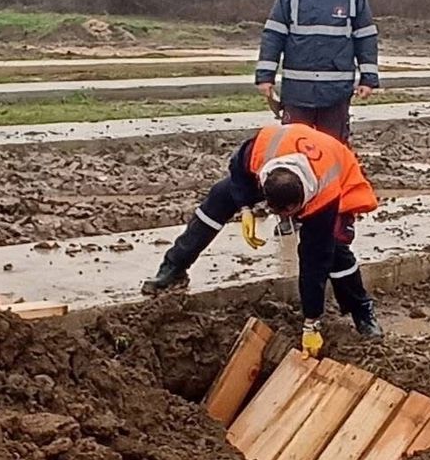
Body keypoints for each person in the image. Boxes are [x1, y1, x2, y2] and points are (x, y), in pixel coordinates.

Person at [141, 124, 384, 357]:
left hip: (340, 182)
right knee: (220, 197)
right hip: (284, 159)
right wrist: (245, 206)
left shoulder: (324, 196)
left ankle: (361, 311)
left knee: (335, 251)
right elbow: (237, 170)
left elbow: (313, 263)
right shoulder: (262, 149)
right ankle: (174, 266)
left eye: (288, 214)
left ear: (301, 205)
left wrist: (311, 322)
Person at [255, 0, 380, 234]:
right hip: (298, 91)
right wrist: (265, 75)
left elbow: (365, 35)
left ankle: (334, 215)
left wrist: (369, 78)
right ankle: (287, 213)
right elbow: (274, 33)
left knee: (333, 156)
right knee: (289, 154)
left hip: (335, 93)